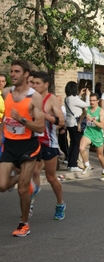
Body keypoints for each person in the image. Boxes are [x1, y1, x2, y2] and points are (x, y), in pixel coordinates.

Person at [0, 60, 45, 237]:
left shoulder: (35, 97)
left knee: (22, 190)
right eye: (11, 71)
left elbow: (40, 127)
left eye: (17, 71)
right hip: (10, 144)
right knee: (2, 185)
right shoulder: (5, 93)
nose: (13, 74)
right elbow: (5, 118)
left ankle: (24, 224)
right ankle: (24, 179)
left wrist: (22, 120)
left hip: (29, 145)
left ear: (26, 74)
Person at [30, 71, 66, 220]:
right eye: (33, 83)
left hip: (48, 143)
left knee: (51, 177)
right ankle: (30, 201)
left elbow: (61, 121)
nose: (34, 86)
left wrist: (44, 115)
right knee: (33, 172)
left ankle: (60, 204)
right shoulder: (30, 98)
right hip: (32, 141)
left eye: (37, 83)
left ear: (46, 85)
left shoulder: (51, 100)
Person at [79, 93, 104, 181]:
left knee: (100, 156)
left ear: (98, 101)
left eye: (94, 100)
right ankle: (87, 165)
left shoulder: (101, 111)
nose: (92, 102)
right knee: (81, 148)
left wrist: (93, 120)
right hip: (88, 133)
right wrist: (79, 124)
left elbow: (102, 125)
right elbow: (83, 115)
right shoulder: (87, 109)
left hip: (98, 134)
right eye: (91, 100)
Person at [64, 81, 90, 171]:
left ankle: (70, 163)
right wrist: (87, 96)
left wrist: (79, 95)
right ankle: (73, 165)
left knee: (72, 144)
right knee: (76, 144)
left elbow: (75, 102)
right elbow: (87, 105)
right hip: (76, 124)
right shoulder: (74, 99)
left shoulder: (67, 98)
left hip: (69, 124)